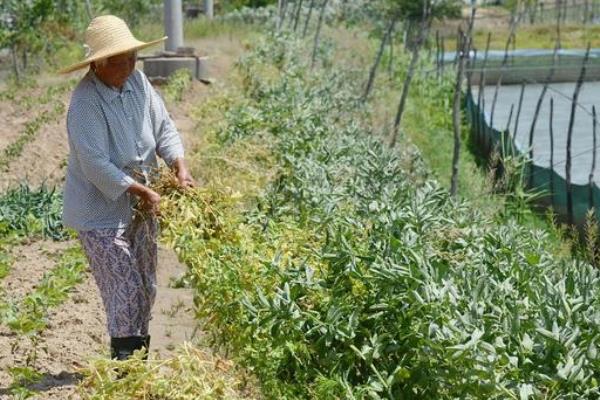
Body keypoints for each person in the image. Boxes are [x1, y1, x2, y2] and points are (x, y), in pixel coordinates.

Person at [60, 15, 195, 360]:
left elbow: (164, 128)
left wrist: (178, 165)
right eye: (121, 61)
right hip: (100, 213)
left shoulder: (139, 83)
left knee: (146, 287)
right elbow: (95, 165)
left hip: (141, 206)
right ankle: (125, 373)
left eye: (133, 57)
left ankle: (138, 364)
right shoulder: (85, 103)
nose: (130, 65)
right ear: (98, 64)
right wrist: (143, 191)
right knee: (125, 289)